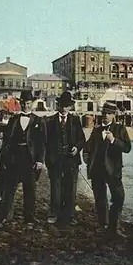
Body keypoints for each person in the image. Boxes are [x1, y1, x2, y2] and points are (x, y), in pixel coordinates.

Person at [83, 102, 132, 238]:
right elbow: (87, 148)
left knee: (118, 198)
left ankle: (114, 226)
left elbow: (127, 148)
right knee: (100, 199)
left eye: (109, 113)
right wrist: (87, 160)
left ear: (114, 115)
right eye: (104, 113)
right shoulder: (97, 130)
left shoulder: (120, 129)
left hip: (113, 171)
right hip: (97, 170)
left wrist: (114, 140)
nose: (106, 115)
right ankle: (103, 225)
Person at [0, 90, 46, 227]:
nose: (26, 105)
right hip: (15, 158)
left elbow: (41, 143)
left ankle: (29, 217)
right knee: (9, 188)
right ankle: (5, 215)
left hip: (30, 159)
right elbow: (7, 141)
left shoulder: (38, 120)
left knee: (30, 189)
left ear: (33, 104)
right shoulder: (14, 120)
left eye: (28, 103)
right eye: (23, 103)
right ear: (20, 103)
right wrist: (5, 158)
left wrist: (39, 160)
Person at [45, 91, 86, 226]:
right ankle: (54, 214)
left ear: (70, 107)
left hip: (71, 160)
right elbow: (46, 142)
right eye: (62, 105)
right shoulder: (50, 121)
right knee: (55, 187)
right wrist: (48, 159)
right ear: (58, 105)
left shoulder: (75, 121)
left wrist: (77, 148)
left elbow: (82, 139)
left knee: (71, 188)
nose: (64, 108)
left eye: (67, 106)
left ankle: (70, 215)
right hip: (55, 160)